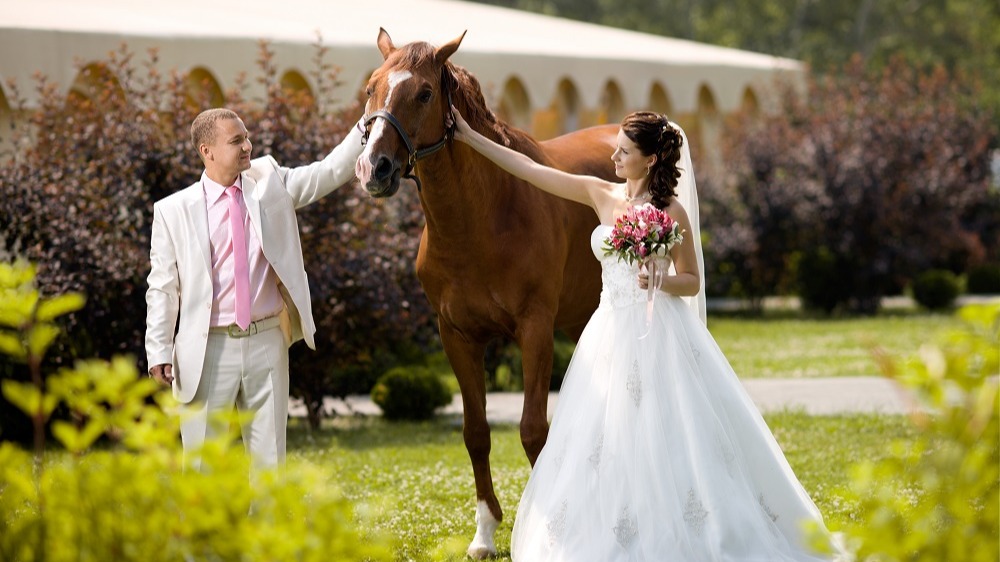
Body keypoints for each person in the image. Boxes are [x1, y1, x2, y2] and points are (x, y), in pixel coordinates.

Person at [448, 107, 846, 561]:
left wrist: (661, 281)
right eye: (616, 148)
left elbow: (692, 279)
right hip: (608, 334)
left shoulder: (669, 210)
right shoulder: (601, 194)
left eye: (624, 151)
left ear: (651, 160)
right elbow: (530, 169)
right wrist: (468, 137)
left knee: (667, 433)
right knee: (604, 437)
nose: (614, 156)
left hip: (660, 333)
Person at [145, 108, 364, 470]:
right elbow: (162, 288)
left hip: (267, 342)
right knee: (201, 467)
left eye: (246, 137)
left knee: (269, 465)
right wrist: (158, 350)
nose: (248, 146)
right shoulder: (172, 211)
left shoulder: (270, 183)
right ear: (207, 150)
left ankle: (266, 527)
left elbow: (328, 172)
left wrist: (370, 122)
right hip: (206, 349)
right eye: (236, 141)